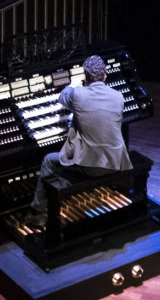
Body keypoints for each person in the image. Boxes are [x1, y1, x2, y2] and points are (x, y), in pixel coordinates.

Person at [24, 54, 131, 223]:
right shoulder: (118, 96)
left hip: (91, 167)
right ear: (105, 76)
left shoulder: (78, 94)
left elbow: (62, 97)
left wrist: (72, 84)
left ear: (85, 77)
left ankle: (36, 213)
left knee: (48, 160)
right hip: (116, 161)